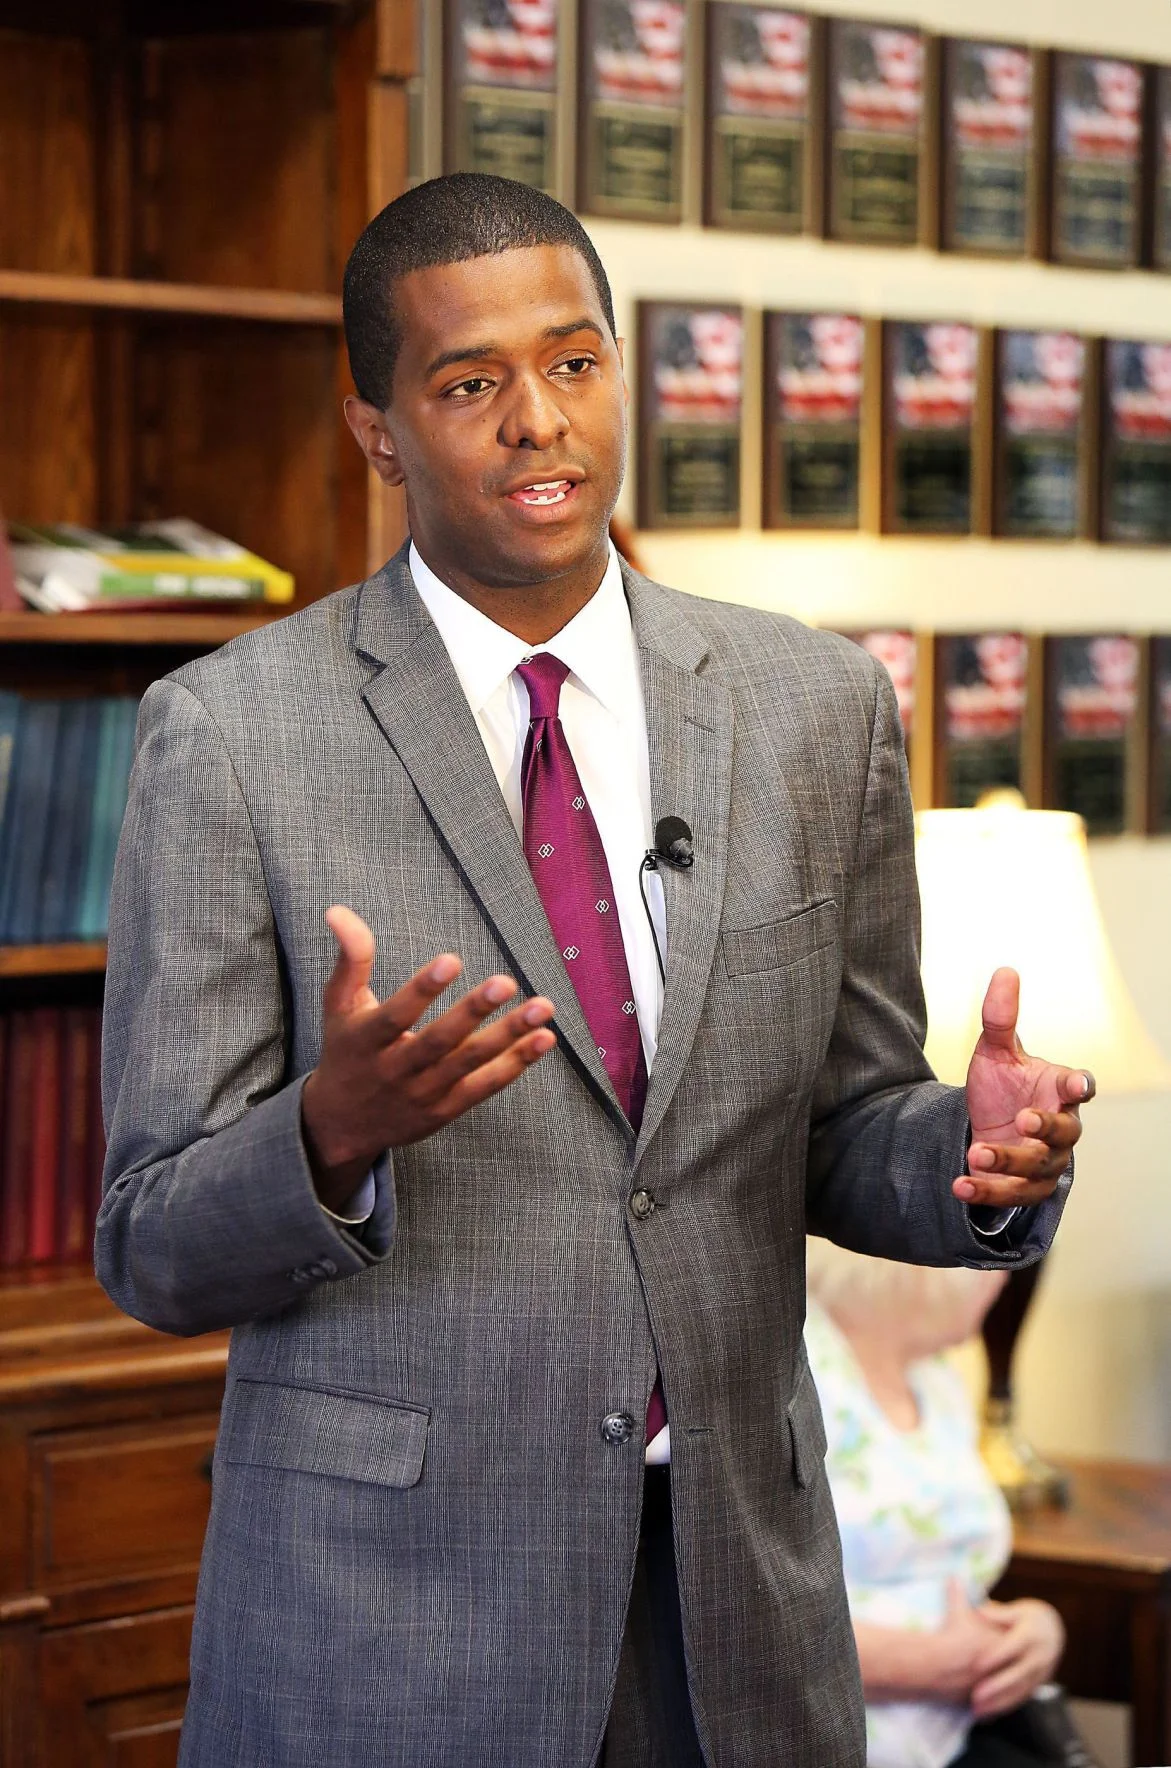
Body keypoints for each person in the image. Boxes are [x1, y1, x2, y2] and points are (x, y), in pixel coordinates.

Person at [96, 173, 1091, 1768]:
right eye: (470, 382)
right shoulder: (231, 733)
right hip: (396, 1627)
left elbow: (842, 1127)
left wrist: (968, 1157)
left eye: (571, 362)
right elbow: (148, 1242)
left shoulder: (813, 708)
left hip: (737, 1615)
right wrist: (328, 1133)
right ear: (376, 428)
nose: (536, 422)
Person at [805, 1242, 1098, 1768]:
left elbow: (947, 1572)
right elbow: (736, 1616)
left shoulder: (937, 1379)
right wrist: (932, 1664)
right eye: (996, 1267)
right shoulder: (796, 1371)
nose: (1004, 1283)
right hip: (847, 1740)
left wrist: (1030, 1629)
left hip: (953, 1728)